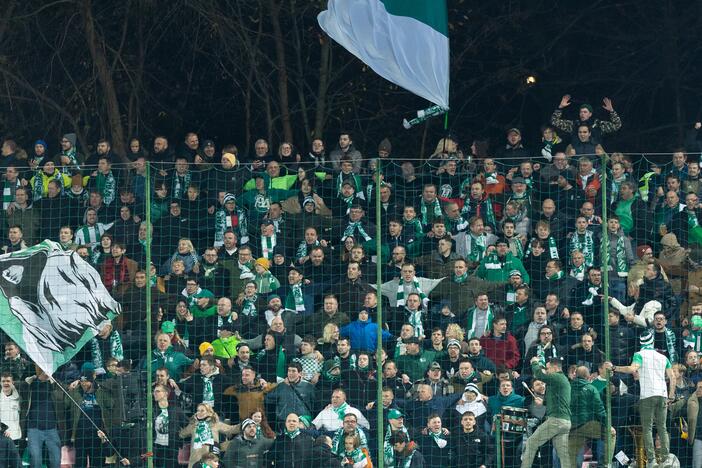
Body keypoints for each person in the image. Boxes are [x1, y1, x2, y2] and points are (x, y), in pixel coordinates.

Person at [606, 330, 677, 467]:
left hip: (647, 396)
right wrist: (671, 396)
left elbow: (632, 369)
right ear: (652, 341)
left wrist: (614, 367)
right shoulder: (663, 357)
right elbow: (672, 377)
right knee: (662, 427)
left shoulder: (639, 355)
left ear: (640, 342)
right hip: (662, 395)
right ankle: (666, 457)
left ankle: (651, 460)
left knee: (648, 428)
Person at [521, 357, 572, 468]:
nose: (547, 371)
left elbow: (539, 375)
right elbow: (556, 400)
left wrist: (534, 362)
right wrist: (543, 402)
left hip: (556, 420)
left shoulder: (557, 377)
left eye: (548, 368)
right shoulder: (562, 380)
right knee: (563, 454)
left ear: (555, 367)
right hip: (565, 422)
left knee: (531, 443)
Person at [568, 366, 616, 468]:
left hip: (571, 427)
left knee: (571, 458)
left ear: (575, 375)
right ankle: (605, 464)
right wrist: (608, 425)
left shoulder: (568, 388)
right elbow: (600, 410)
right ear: (588, 376)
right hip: (587, 424)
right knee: (611, 434)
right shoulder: (591, 389)